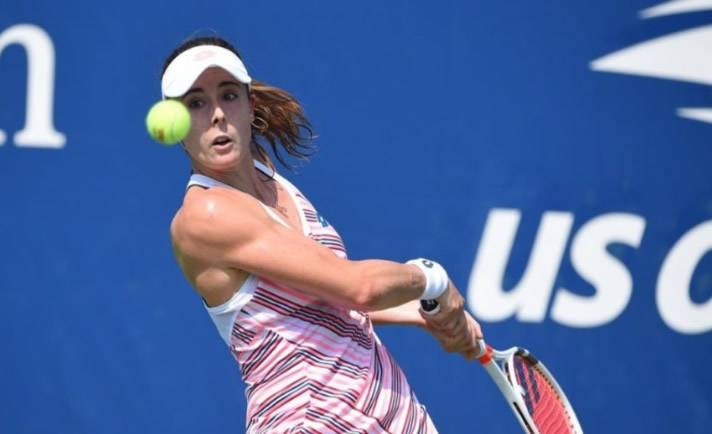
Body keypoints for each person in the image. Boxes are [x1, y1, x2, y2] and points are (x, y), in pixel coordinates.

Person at [163, 35, 483, 433]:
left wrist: (420, 313)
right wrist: (432, 279)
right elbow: (359, 288)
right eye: (195, 103)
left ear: (250, 106)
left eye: (228, 96)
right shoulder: (205, 215)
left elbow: (320, 298)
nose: (216, 115)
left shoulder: (268, 179)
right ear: (174, 124)